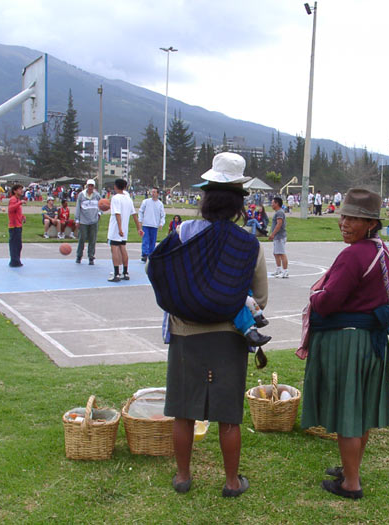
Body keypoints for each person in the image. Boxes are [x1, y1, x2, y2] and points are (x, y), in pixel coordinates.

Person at [156, 152, 268, 497]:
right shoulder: (248, 244)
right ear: (238, 202)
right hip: (230, 336)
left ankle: (183, 477)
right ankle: (232, 482)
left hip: (185, 333)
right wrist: (226, 300)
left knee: (183, 411)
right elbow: (260, 298)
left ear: (205, 196)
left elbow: (164, 274)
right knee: (228, 415)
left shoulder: (183, 234)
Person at [299, 188, 389, 500]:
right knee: (359, 411)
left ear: (370, 222)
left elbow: (328, 303)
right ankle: (350, 469)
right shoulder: (382, 252)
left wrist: (315, 294)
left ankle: (351, 483)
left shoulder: (353, 255)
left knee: (348, 414)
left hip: (349, 341)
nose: (343, 222)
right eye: (343, 216)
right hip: (371, 342)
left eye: (353, 218)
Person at [107, 179, 143, 282]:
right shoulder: (128, 199)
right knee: (123, 248)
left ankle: (116, 274)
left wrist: (119, 228)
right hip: (124, 229)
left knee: (114, 249)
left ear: (115, 186)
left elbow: (117, 214)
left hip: (116, 228)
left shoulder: (115, 198)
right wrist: (139, 228)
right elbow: (134, 215)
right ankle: (125, 273)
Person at [74, 179, 101, 265]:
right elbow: (78, 207)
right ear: (86, 186)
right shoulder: (81, 195)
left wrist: (100, 213)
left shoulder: (97, 195)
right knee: (82, 239)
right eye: (89, 185)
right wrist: (77, 219)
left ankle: (91, 257)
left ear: (94, 187)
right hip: (83, 221)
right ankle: (79, 256)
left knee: (92, 240)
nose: (90, 187)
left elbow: (101, 205)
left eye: (92, 186)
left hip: (94, 221)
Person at [139, 187, 166, 262]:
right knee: (145, 240)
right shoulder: (146, 202)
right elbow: (141, 211)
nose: (153, 193)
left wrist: (161, 223)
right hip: (146, 224)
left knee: (152, 241)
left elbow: (163, 215)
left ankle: (151, 254)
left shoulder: (160, 204)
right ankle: (144, 254)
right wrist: (140, 220)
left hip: (154, 225)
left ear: (157, 193)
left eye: (154, 192)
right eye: (152, 192)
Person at [268, 196, 288, 278]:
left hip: (279, 236)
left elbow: (279, 224)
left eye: (273, 203)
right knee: (276, 253)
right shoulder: (277, 212)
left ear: (277, 204)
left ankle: (285, 271)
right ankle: (278, 269)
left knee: (281, 253)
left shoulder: (280, 212)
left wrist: (273, 234)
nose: (271, 204)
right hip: (277, 237)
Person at [7, 184, 26, 267]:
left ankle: (17, 260)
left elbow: (17, 212)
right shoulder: (13, 199)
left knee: (18, 245)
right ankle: (14, 261)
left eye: (22, 189)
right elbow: (11, 209)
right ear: (15, 191)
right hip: (14, 226)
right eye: (19, 189)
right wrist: (19, 203)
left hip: (18, 225)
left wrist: (22, 217)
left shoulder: (17, 200)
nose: (21, 191)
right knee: (14, 244)